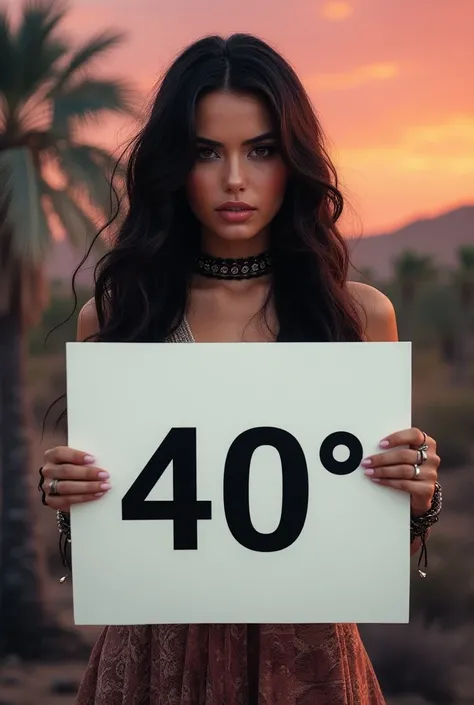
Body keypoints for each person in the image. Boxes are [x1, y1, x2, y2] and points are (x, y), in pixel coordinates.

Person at [39, 33, 442, 705]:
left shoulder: (358, 316)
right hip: (151, 664)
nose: (235, 179)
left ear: (293, 160)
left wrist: (418, 493)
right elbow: (104, 557)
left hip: (307, 662)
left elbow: (368, 561)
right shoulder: (116, 323)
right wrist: (69, 496)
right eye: (206, 152)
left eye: (261, 150)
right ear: (174, 164)